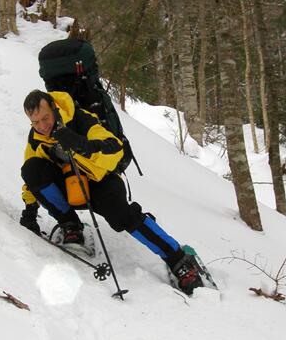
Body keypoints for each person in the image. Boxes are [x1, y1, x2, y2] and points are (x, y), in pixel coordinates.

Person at [20, 89, 203, 295]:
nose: (42, 126)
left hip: (102, 180)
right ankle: (70, 225)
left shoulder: (80, 119)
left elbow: (115, 150)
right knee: (31, 168)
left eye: (45, 118)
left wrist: (81, 144)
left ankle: (178, 259)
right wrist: (30, 210)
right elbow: (31, 173)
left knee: (123, 217)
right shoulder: (36, 137)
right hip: (70, 183)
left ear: (54, 108)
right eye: (35, 122)